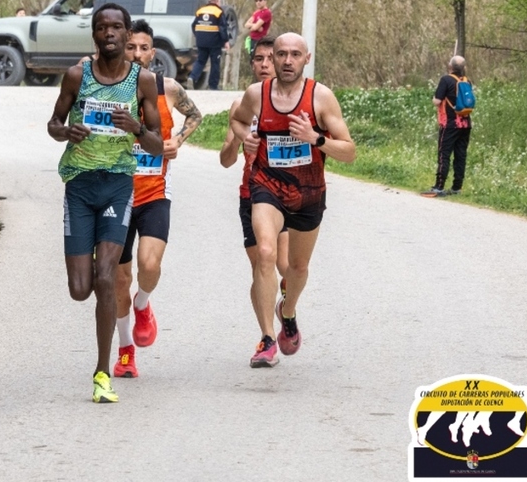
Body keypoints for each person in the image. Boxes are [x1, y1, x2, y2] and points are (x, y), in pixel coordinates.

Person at [48, 4, 163, 403]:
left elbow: (158, 142)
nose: (109, 33)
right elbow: (53, 124)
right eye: (102, 27)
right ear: (94, 34)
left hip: (117, 184)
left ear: (127, 32)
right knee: (80, 289)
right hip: (79, 185)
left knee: (106, 277)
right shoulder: (77, 76)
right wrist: (67, 132)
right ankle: (101, 309)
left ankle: (102, 372)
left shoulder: (143, 81)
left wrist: (135, 128)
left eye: (117, 26)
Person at [228, 33, 356, 367]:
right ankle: (267, 339)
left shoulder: (321, 97)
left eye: (294, 54)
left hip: (308, 193)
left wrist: (315, 138)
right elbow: (238, 120)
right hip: (266, 186)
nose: (286, 61)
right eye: (281, 54)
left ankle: (287, 311)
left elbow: (350, 151)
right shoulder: (257, 94)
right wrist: (248, 138)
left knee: (297, 268)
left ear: (306, 58)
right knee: (266, 254)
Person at [113, 20, 203, 379]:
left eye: (144, 48)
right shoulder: (109, 90)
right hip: (115, 196)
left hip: (153, 194)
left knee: (148, 266)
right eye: (131, 47)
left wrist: (177, 141)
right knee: (119, 279)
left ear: (153, 51)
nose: (137, 54)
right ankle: (124, 351)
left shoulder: (168, 89)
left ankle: (143, 304)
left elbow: (195, 114)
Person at [219, 35, 291, 363]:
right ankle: (267, 338)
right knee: (262, 261)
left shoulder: (294, 101)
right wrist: (239, 141)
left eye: (269, 59)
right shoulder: (244, 104)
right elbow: (225, 159)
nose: (264, 65)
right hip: (253, 194)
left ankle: (287, 309)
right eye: (258, 60)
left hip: (291, 194)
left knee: (286, 267)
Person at [422, 56, 472, 198]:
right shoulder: (467, 81)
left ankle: (439, 186)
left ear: (450, 66)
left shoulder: (446, 80)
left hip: (450, 124)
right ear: (463, 68)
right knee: (460, 155)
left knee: (444, 154)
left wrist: (434, 99)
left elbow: (438, 101)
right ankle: (457, 187)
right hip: (466, 124)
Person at [189, 0, 230, 90]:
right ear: (216, 2)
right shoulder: (219, 12)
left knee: (200, 61)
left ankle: (192, 77)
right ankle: (213, 85)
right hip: (214, 42)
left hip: (201, 41)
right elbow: (222, 28)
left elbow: (193, 25)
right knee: (215, 63)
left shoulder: (200, 11)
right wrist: (225, 41)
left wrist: (198, 36)